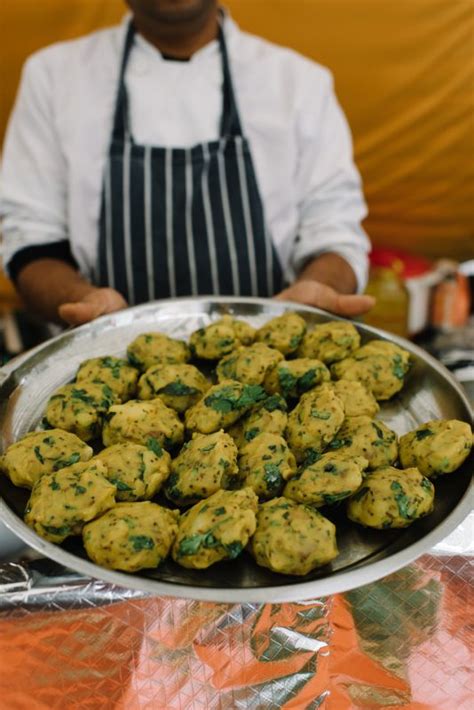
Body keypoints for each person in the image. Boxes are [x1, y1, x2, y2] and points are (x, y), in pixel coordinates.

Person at [0, 0, 374, 325]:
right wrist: (82, 302)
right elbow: (32, 240)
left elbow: (334, 231)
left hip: (275, 360)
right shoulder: (54, 76)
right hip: (104, 363)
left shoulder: (298, 82)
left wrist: (320, 291)